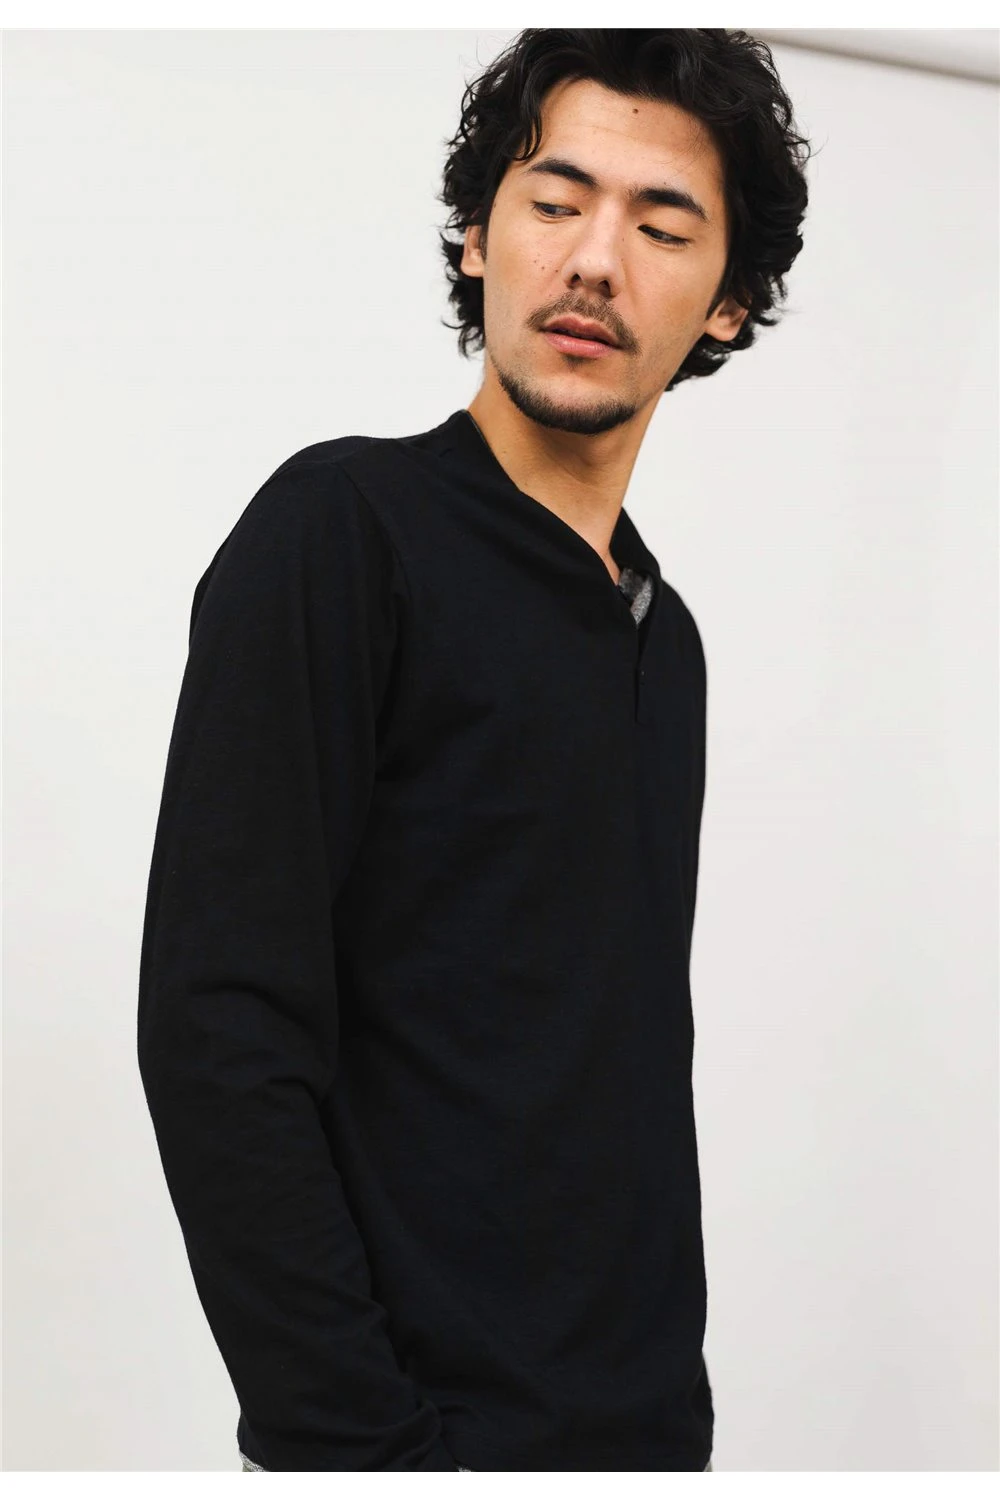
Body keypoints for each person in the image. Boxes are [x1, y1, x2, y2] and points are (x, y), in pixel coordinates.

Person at [137, 27, 810, 1473]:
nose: (594, 261)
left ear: (728, 304)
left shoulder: (663, 632)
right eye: (554, 202)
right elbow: (220, 1030)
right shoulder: (343, 534)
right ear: (475, 238)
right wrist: (361, 1446)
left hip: (645, 1436)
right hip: (416, 1446)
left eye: (663, 226)